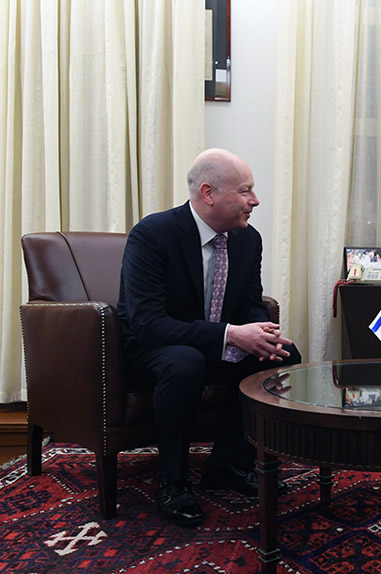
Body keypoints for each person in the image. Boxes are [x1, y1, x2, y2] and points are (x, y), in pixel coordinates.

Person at [117, 148, 301, 526]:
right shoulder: (153, 234)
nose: (256, 200)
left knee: (284, 356)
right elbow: (147, 323)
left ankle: (229, 465)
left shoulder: (248, 240)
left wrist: (260, 331)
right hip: (154, 349)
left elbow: (251, 302)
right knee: (186, 362)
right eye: (245, 190)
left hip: (211, 343)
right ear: (208, 193)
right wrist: (232, 335)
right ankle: (173, 479)